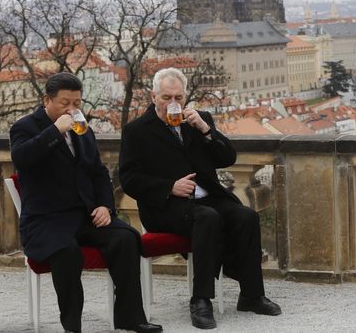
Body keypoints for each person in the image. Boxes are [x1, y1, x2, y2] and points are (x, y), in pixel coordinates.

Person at [118, 67, 281, 330]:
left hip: (208, 198)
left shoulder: (198, 120)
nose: (173, 104)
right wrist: (169, 187)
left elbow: (227, 158)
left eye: (178, 98)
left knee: (246, 216)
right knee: (207, 218)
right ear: (153, 96)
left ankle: (251, 295)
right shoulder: (136, 130)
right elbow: (129, 179)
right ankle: (201, 299)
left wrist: (206, 131)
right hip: (166, 206)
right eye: (166, 98)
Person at [10, 72, 162, 333]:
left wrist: (104, 205)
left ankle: (130, 317)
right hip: (47, 220)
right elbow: (22, 158)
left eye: (77, 104)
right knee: (66, 252)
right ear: (47, 100)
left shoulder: (82, 130)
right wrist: (55, 131)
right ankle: (72, 326)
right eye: (65, 103)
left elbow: (98, 172)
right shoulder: (25, 127)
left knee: (126, 239)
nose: (71, 109)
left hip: (84, 216)